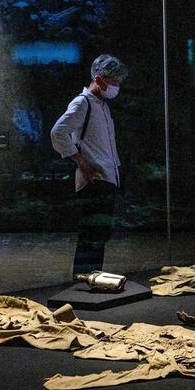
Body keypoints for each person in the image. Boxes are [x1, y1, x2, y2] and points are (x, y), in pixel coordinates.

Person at [50, 54, 128, 275]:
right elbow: (58, 132)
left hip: (107, 178)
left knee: (100, 234)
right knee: (91, 234)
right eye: (113, 82)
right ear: (99, 79)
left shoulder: (102, 106)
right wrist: (80, 161)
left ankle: (94, 277)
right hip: (96, 179)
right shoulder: (83, 103)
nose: (116, 87)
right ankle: (84, 279)